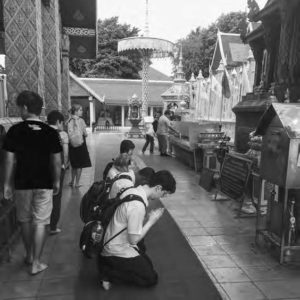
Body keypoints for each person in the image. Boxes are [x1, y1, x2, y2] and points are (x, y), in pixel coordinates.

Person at [2, 90, 62, 275]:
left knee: (25, 220)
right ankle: (37, 262)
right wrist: (57, 180)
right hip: (44, 182)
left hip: (22, 183)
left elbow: (9, 160)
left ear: (25, 108)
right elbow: (57, 160)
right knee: (41, 221)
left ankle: (28, 255)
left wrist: (6, 184)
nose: (20, 110)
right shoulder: (50, 132)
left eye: (20, 107)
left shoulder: (14, 131)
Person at [98, 170, 176, 290]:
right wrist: (151, 221)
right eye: (164, 193)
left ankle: (109, 263)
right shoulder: (137, 206)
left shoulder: (134, 190)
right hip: (115, 248)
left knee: (147, 264)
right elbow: (133, 240)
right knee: (151, 278)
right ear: (158, 187)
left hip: (110, 238)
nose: (163, 197)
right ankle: (107, 273)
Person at [47, 110, 69, 235]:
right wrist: (64, 165)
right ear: (58, 122)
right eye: (62, 123)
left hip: (42, 170)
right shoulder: (60, 134)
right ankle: (53, 226)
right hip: (56, 169)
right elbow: (64, 154)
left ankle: (42, 223)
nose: (63, 126)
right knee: (56, 196)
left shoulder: (42, 132)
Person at [67, 104, 91, 187]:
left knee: (74, 164)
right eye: (80, 110)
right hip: (81, 144)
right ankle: (77, 183)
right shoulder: (81, 120)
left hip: (72, 145)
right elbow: (85, 133)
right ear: (76, 111)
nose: (82, 111)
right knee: (80, 165)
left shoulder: (69, 120)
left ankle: (71, 181)